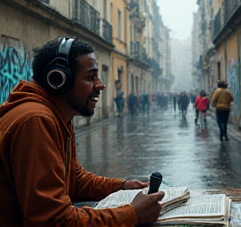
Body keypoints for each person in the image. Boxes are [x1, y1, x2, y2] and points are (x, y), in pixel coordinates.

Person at [0, 37, 164, 226]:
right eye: (90, 77)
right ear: (59, 79)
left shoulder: (56, 117)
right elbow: (53, 220)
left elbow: (75, 180)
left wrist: (122, 186)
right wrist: (132, 214)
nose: (100, 85)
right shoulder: (36, 121)